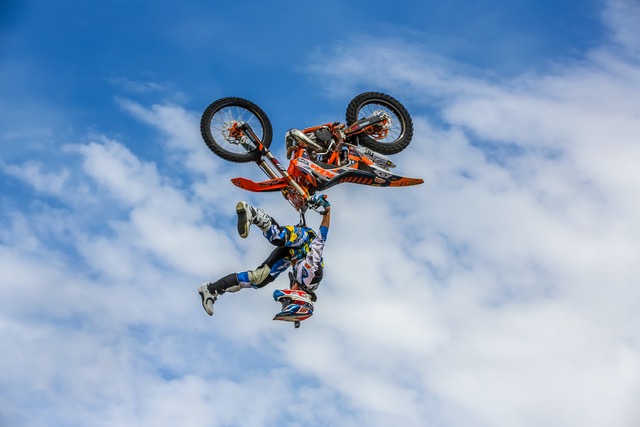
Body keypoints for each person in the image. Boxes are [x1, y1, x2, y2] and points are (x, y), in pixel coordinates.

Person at [198, 194, 331, 317]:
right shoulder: (312, 274)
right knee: (278, 237)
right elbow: (320, 241)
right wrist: (327, 211)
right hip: (305, 241)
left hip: (292, 255)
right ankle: (253, 213)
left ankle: (210, 290)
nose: (284, 299)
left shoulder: (300, 285)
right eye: (287, 301)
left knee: (258, 280)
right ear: (299, 298)